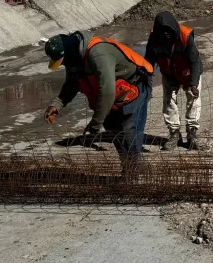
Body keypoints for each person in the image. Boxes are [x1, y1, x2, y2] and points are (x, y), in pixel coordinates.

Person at [43, 31, 153, 171]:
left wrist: (96, 122)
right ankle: (130, 166)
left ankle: (133, 170)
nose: (63, 64)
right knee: (113, 130)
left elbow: (107, 91)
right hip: (115, 92)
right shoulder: (73, 59)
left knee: (128, 129)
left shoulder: (98, 54)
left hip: (136, 85)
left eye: (63, 61)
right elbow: (72, 84)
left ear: (69, 53)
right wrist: (57, 104)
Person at [144, 11, 204, 149]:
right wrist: (147, 81)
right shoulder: (154, 38)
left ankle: (192, 135)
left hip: (188, 73)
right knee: (168, 102)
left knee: (194, 100)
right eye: (162, 31)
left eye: (168, 30)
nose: (165, 34)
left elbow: (194, 62)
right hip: (169, 74)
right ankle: (174, 135)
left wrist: (194, 84)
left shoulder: (185, 36)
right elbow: (148, 60)